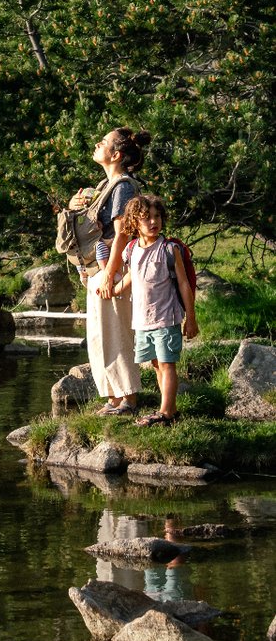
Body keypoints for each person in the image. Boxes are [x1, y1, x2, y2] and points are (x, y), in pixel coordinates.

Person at [83, 127, 151, 416]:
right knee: (100, 333)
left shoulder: (123, 186)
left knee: (116, 331)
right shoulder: (106, 185)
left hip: (116, 266)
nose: (98, 143)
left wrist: (111, 274)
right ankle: (112, 396)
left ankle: (128, 398)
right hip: (102, 268)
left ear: (116, 154)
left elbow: (122, 233)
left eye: (105, 142)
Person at [115, 193, 198, 427]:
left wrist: (190, 318)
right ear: (134, 223)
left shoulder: (169, 249)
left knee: (167, 363)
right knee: (155, 364)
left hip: (166, 317)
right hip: (142, 320)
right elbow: (132, 275)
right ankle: (170, 408)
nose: (153, 222)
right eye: (146, 218)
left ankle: (164, 413)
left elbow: (183, 283)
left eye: (157, 216)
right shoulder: (131, 250)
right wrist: (114, 288)